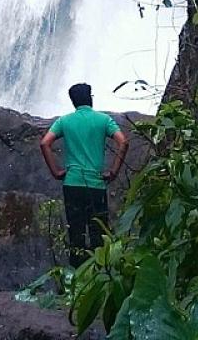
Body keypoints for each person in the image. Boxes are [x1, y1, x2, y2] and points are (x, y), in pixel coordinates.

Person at [39, 82, 128, 267]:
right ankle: (100, 280)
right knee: (99, 236)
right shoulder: (103, 120)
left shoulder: (64, 121)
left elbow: (45, 143)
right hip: (96, 185)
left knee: (76, 236)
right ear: (90, 98)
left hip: (72, 184)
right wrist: (113, 171)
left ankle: (75, 283)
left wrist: (56, 172)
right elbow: (123, 142)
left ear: (73, 102)